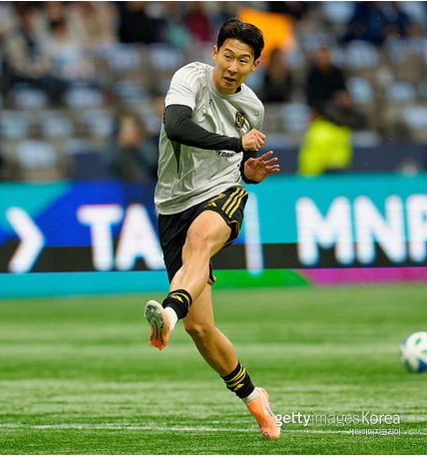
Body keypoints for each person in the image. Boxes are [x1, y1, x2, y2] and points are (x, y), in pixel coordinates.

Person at [144, 18, 281, 439]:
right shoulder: (190, 78)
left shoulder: (252, 108)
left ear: (255, 65)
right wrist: (239, 149)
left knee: (200, 242)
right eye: (228, 56)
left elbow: (233, 165)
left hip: (222, 194)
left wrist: (247, 174)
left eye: (244, 60)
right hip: (172, 205)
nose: (233, 67)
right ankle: (254, 396)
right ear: (214, 53)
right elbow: (177, 127)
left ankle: (168, 311)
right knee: (200, 329)